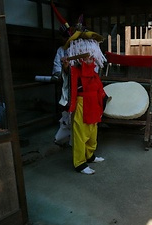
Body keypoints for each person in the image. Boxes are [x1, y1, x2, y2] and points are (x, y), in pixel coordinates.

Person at [62, 24, 107, 175]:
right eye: (86, 56)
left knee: (93, 132)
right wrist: (66, 66)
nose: (89, 59)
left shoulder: (94, 70)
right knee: (80, 134)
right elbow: (68, 73)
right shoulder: (75, 70)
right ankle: (79, 163)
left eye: (91, 56)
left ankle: (90, 155)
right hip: (81, 104)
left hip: (93, 103)